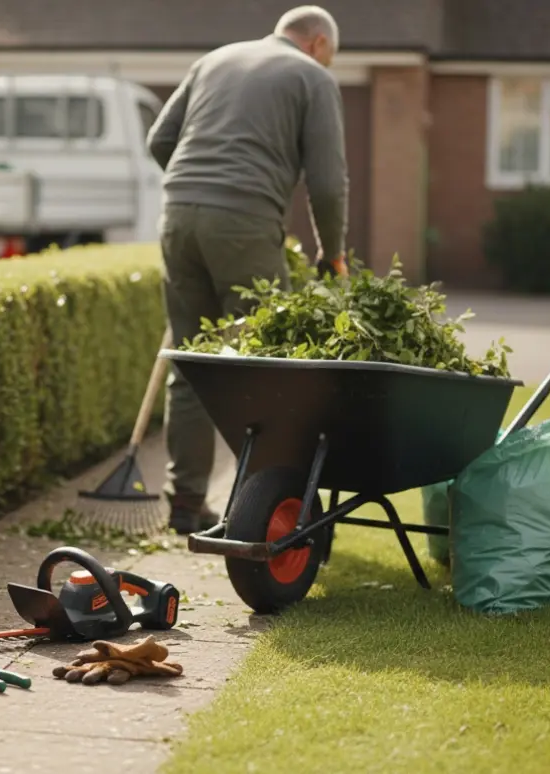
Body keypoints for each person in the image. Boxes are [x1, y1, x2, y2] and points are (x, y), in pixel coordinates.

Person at [146, 5, 350, 534]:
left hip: (177, 216)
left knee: (190, 362)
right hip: (243, 223)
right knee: (266, 367)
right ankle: (261, 510)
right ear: (318, 45)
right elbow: (327, 184)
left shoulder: (216, 59)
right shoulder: (313, 78)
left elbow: (159, 142)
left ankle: (186, 502)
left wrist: (200, 193)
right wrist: (334, 254)